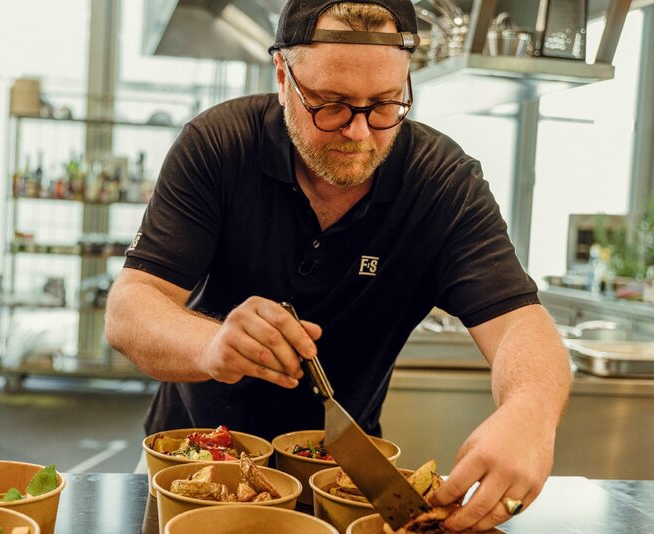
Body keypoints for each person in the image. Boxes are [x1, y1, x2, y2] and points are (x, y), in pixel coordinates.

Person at [105, 0, 572, 530]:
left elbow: (519, 324)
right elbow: (130, 308)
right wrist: (211, 345)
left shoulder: (443, 184)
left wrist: (530, 412)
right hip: (195, 465)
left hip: (344, 479)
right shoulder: (220, 145)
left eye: (385, 104)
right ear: (282, 76)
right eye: (330, 105)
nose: (359, 132)